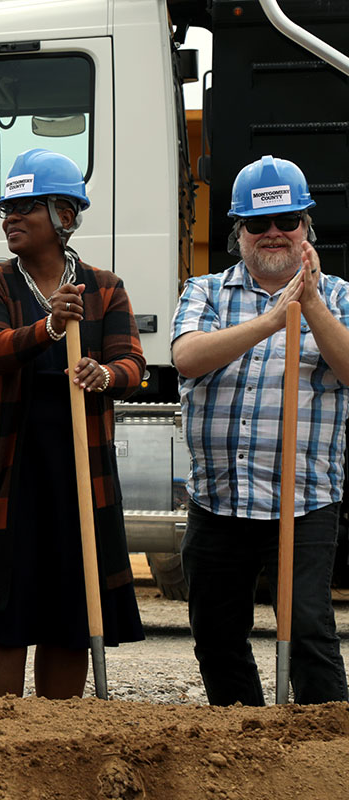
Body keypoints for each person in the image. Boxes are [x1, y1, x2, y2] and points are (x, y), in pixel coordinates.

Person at [0, 149, 145, 699]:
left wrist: (104, 374)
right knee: (3, 617)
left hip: (76, 472)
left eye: (25, 207)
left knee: (69, 615)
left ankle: (58, 741)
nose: (10, 217)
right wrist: (50, 327)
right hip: (6, 471)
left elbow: (133, 363)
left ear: (65, 216)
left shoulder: (104, 287)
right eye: (6, 207)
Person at [172, 155, 349, 706]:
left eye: (287, 221)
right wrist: (274, 319)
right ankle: (243, 744)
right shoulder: (204, 291)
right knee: (216, 633)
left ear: (306, 229)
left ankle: (325, 757)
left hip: (303, 498)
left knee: (308, 631)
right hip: (219, 498)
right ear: (238, 232)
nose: (273, 233)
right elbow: (187, 357)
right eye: (258, 224)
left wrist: (310, 304)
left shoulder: (341, 295)